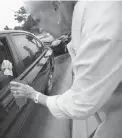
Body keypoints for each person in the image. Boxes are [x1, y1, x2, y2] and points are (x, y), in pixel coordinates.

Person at [10, 1, 122, 138]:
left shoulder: (99, 26)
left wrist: (34, 95)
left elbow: (81, 102)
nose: (40, 29)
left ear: (56, 5)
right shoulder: (91, 14)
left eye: (38, 20)